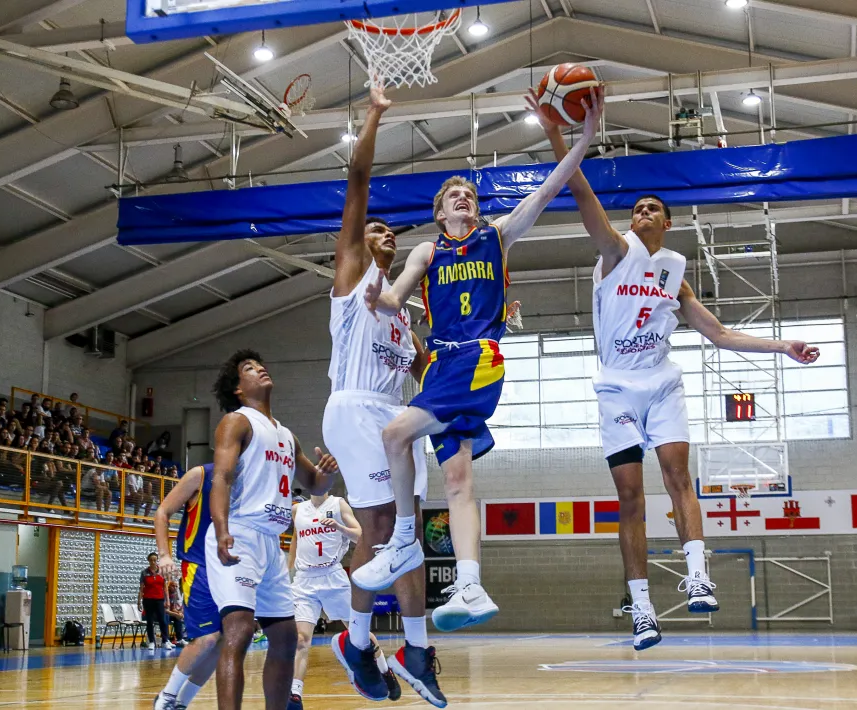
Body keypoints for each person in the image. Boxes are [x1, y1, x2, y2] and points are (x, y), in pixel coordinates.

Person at [531, 94, 820, 650]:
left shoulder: (675, 274)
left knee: (678, 474)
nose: (640, 214)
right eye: (634, 209)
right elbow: (581, 191)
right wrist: (562, 135)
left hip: (662, 381)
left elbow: (721, 334)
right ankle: (642, 609)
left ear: (667, 220)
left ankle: (697, 573)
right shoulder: (615, 253)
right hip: (616, 385)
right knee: (631, 495)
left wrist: (784, 346)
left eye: (650, 209)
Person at [353, 91, 602, 634]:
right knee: (458, 481)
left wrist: (583, 137)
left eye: (469, 193)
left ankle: (400, 541)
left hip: (479, 359)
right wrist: (375, 289)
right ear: (440, 212)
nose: (464, 198)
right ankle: (469, 583)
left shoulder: (498, 236)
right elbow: (394, 301)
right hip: (441, 365)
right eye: (454, 195)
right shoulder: (426, 251)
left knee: (396, 434)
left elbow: (549, 187)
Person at [316, 81, 441, 706]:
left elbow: (434, 365)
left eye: (393, 231)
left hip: (397, 419)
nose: (385, 232)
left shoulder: (400, 310)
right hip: (355, 409)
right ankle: (357, 642)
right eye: (378, 229)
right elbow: (358, 179)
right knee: (380, 525)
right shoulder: (350, 274)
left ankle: (415, 647)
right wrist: (374, 113)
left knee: (408, 532)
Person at [207, 349, 337, 710]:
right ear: (237, 388)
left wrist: (328, 470)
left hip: (270, 542)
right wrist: (220, 529)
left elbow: (314, 483)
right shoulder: (237, 421)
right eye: (249, 368)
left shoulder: (285, 434)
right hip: (240, 531)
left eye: (260, 364)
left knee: (285, 638)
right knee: (240, 630)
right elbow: (222, 476)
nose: (260, 368)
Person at [288, 492, 399, 710]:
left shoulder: (338, 504)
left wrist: (340, 528)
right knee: (301, 639)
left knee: (360, 634)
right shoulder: (297, 510)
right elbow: (295, 540)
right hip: (304, 580)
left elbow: (361, 537)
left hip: (333, 577)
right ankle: (295, 694)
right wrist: (288, 571)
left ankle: (385, 672)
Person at [153, 463, 220, 710]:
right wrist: (164, 555)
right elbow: (162, 512)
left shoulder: (251, 477)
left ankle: (181, 703)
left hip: (232, 569)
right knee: (207, 638)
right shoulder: (200, 476)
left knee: (225, 644)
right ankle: (166, 698)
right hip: (199, 564)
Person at [139, 552, 173, 650]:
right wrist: (139, 601)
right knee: (150, 621)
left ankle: (165, 641)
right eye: (151, 560)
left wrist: (167, 601)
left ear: (157, 560)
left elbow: (165, 587)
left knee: (163, 620)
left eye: (155, 560)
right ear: (148, 561)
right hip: (148, 600)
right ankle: (152, 642)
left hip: (159, 599)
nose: (153, 562)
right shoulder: (144, 573)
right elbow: (141, 588)